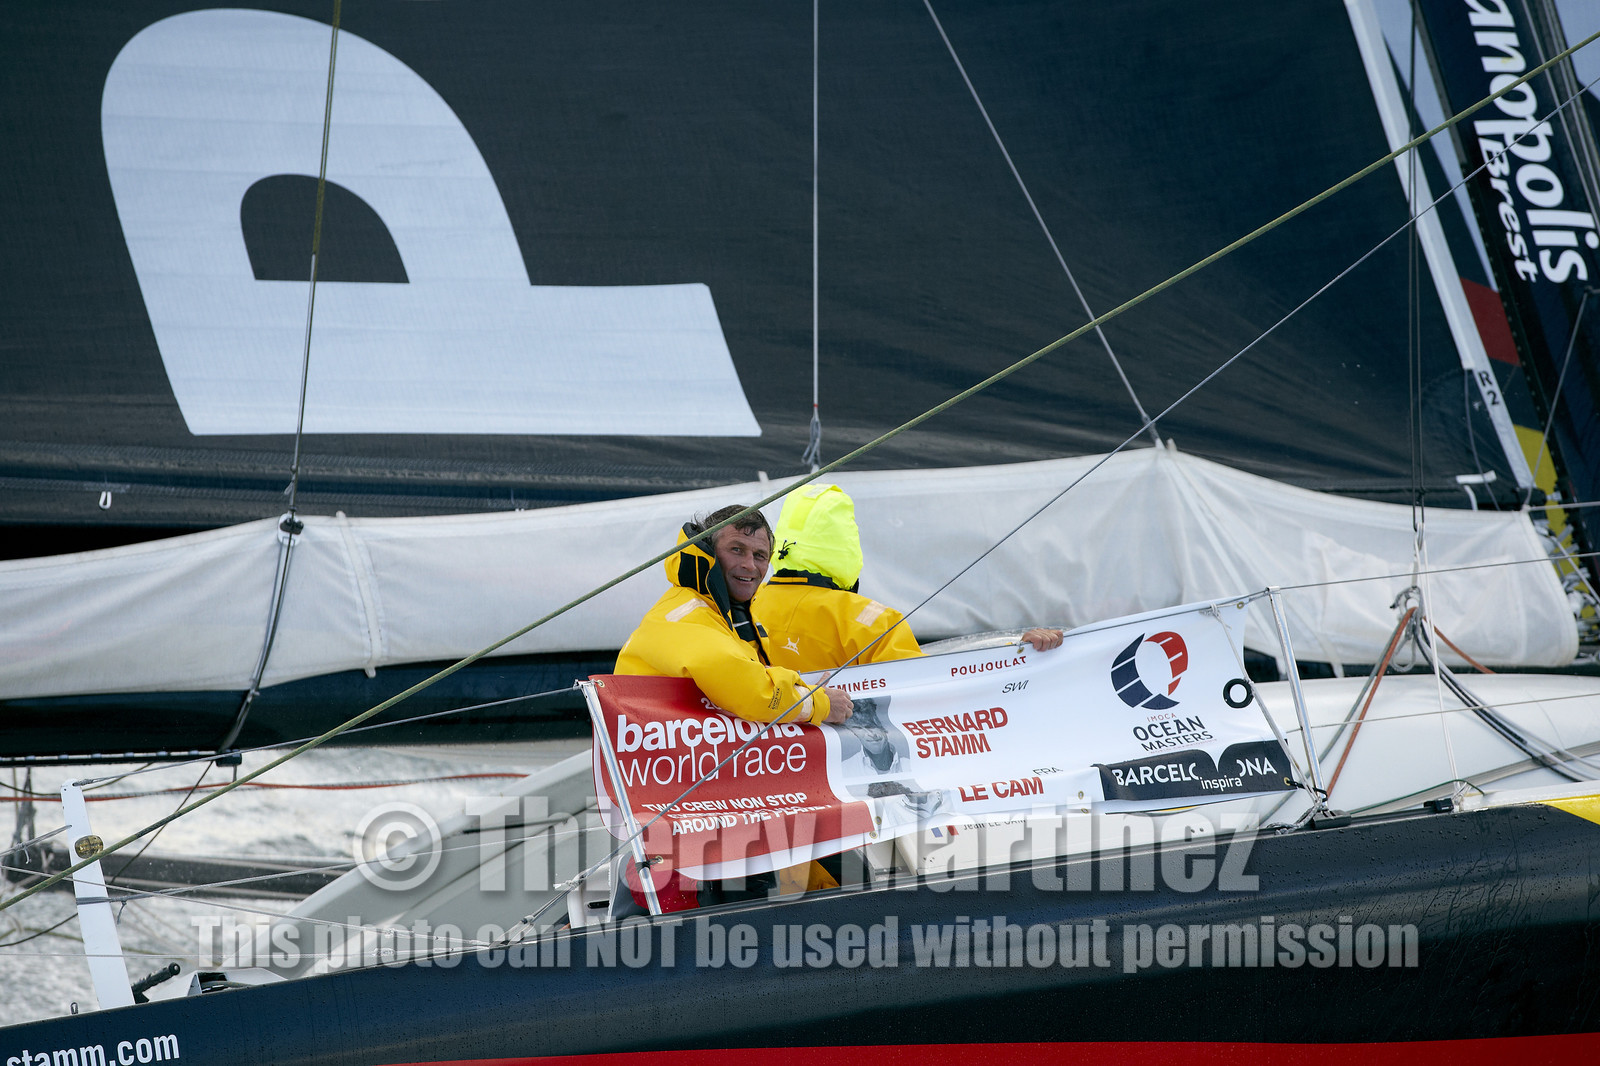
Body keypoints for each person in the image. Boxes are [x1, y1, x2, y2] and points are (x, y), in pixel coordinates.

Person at [754, 483, 1064, 674]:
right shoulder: (873, 622)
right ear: (846, 545)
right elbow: (924, 695)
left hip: (759, 764)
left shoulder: (737, 607)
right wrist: (1017, 656)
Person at [614, 503, 854, 726]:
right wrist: (817, 702)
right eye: (737, 550)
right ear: (709, 553)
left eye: (759, 555)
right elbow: (749, 690)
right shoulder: (685, 614)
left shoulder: (724, 612)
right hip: (652, 758)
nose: (750, 565)